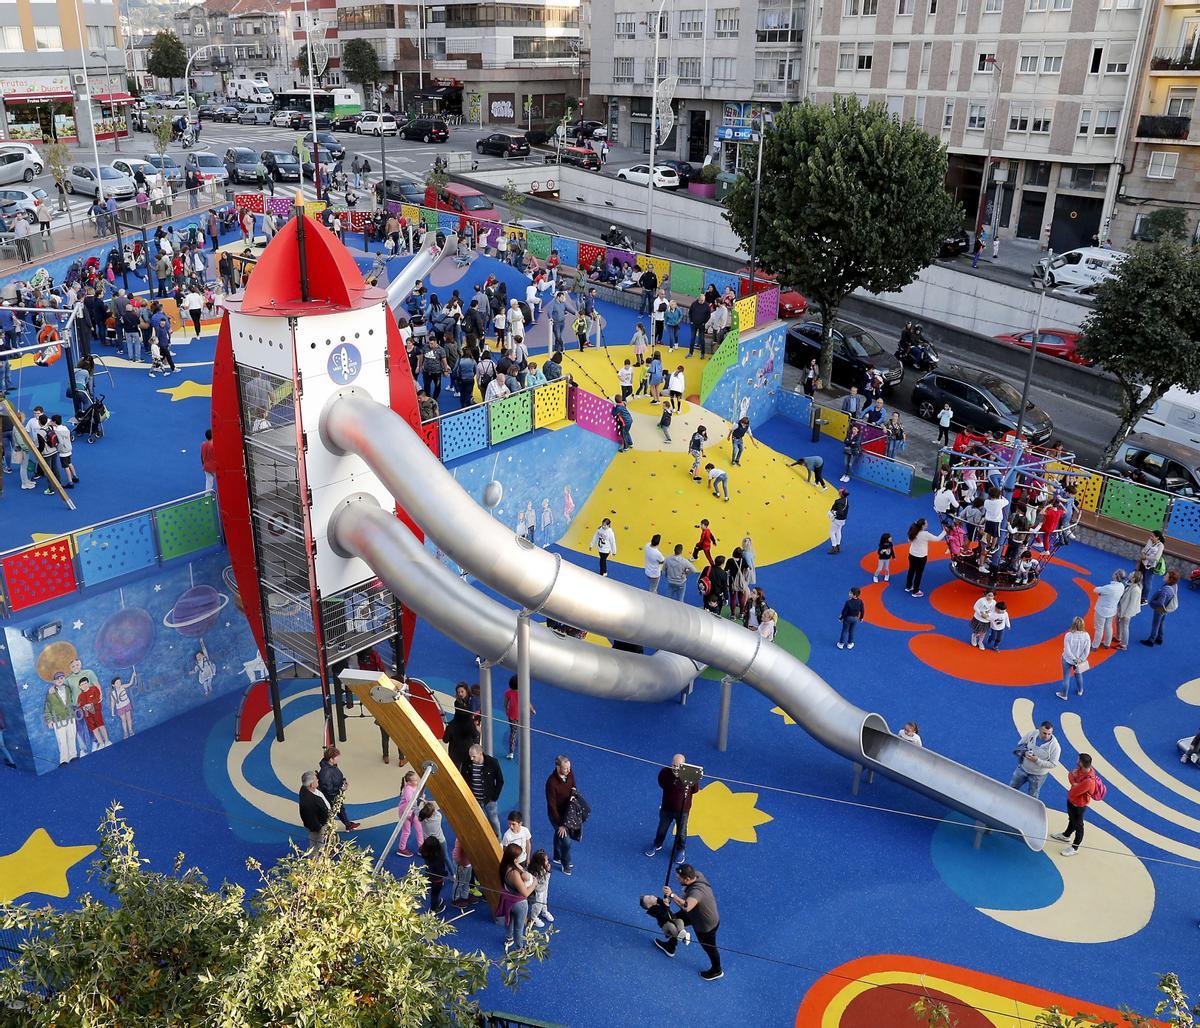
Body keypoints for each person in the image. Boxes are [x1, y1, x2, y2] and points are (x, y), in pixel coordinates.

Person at [649, 864, 723, 980]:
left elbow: (687, 906)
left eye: (679, 878)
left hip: (705, 924)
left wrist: (672, 895)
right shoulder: (697, 875)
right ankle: (671, 946)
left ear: (687, 879)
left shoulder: (697, 892)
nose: (677, 880)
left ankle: (717, 970)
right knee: (674, 922)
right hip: (694, 913)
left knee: (709, 947)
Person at [1051, 753, 1104, 856]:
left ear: (1081, 763)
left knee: (1078, 825)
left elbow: (1074, 791)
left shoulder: (1089, 781)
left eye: (1078, 760)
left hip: (1079, 804)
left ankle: (1075, 847)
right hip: (1072, 801)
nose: (1077, 761)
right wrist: (1074, 782)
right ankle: (1066, 835)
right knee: (1072, 819)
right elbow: (1070, 774)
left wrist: (1075, 783)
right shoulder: (1081, 770)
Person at [645, 753, 694, 861]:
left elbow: (694, 789)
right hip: (666, 808)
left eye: (679, 766)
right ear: (671, 764)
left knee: (681, 832)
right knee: (662, 829)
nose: (676, 769)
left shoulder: (690, 775)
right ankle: (657, 844)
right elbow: (661, 783)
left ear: (684, 766)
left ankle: (680, 850)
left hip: (683, 811)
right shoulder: (664, 773)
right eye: (674, 765)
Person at [460, 743, 504, 836]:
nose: (471, 759)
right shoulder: (466, 763)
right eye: (470, 756)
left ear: (481, 753)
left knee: (494, 821)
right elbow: (463, 780)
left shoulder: (492, 763)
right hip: (474, 800)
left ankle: (499, 842)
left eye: (474, 756)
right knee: (480, 823)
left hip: (489, 800)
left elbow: (500, 780)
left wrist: (494, 797)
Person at [1010, 721, 1060, 799]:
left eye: (1049, 734)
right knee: (1011, 788)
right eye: (1044, 733)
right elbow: (1021, 744)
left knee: (1032, 797)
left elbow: (1053, 764)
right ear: (1039, 730)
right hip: (1022, 769)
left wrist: (1037, 761)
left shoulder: (1055, 747)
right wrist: (1024, 752)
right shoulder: (1032, 734)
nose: (1046, 736)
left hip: (1038, 776)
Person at [545, 754, 577, 875]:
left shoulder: (569, 772)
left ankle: (557, 856)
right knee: (566, 841)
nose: (569, 771)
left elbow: (573, 785)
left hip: (567, 813)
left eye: (569, 768)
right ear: (558, 767)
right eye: (565, 768)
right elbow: (552, 806)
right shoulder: (551, 783)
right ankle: (566, 863)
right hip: (557, 816)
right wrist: (561, 825)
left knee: (559, 835)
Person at [499, 842, 535, 951]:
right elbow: (525, 893)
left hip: (507, 899)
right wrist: (535, 883)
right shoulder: (514, 873)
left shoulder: (504, 865)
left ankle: (508, 938)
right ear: (514, 858)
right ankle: (520, 948)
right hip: (519, 902)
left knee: (509, 920)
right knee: (519, 927)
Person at [318, 746, 360, 831]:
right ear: (331, 759)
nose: (338, 759)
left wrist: (343, 780)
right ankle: (329, 830)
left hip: (335, 795)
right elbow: (328, 789)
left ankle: (347, 825)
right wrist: (341, 789)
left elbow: (337, 776)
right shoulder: (325, 772)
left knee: (340, 810)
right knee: (332, 813)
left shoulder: (332, 765)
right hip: (331, 797)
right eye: (337, 757)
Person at [905, 518, 945, 597]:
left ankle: (908, 586)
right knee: (918, 573)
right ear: (923, 525)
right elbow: (937, 539)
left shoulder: (913, 531)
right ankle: (916, 591)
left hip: (912, 554)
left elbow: (909, 540)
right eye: (926, 523)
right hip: (921, 556)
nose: (927, 524)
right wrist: (945, 531)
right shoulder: (925, 534)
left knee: (911, 570)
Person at [1142, 570, 1181, 646]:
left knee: (1155, 624)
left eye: (1166, 576)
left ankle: (1151, 640)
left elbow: (1160, 602)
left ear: (1170, 580)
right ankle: (1160, 638)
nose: (1164, 576)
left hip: (1159, 609)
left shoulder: (1165, 590)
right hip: (1166, 608)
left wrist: (1152, 603)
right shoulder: (1175, 586)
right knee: (1161, 622)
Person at [298, 770, 332, 857]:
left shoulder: (308, 789)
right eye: (316, 779)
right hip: (318, 827)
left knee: (320, 843)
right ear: (311, 784)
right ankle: (314, 865)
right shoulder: (309, 801)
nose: (318, 780)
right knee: (316, 846)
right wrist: (319, 828)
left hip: (321, 823)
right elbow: (309, 818)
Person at [1057, 616, 1092, 701]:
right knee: (1078, 674)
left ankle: (1064, 694)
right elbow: (1087, 651)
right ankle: (1080, 690)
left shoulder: (1068, 636)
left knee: (1066, 677)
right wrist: (1080, 659)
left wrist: (1074, 659)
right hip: (1080, 661)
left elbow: (1068, 651)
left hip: (1067, 660)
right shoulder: (1086, 636)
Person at [1091, 570, 1126, 650]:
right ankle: (1107, 643)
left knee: (1099, 628)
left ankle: (1095, 645)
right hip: (1112, 610)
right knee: (1108, 626)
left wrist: (1101, 593)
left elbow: (1096, 590)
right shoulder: (1121, 586)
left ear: (1116, 576)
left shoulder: (1109, 587)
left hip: (1102, 610)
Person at [503, 674, 535, 760]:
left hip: (512, 716)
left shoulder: (508, 692)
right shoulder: (522, 693)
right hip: (521, 715)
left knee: (513, 733)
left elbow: (505, 703)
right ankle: (521, 741)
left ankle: (511, 752)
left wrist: (506, 709)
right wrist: (532, 710)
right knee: (522, 728)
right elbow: (527, 702)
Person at [395, 769, 425, 857]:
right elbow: (410, 802)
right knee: (406, 831)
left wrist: (422, 797)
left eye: (416, 779)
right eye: (415, 780)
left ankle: (421, 848)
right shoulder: (407, 789)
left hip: (412, 812)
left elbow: (419, 795)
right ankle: (401, 848)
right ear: (408, 782)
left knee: (419, 829)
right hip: (405, 811)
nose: (417, 781)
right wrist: (418, 812)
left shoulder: (414, 786)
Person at [1115, 568, 1143, 650]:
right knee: (1118, 622)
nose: (1130, 574)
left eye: (1132, 574)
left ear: (1134, 578)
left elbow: (1132, 604)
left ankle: (1124, 644)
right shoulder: (1130, 584)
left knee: (1125, 626)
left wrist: (1125, 614)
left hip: (1127, 611)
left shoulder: (1135, 589)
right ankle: (1118, 637)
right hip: (1123, 607)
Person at [420, 835, 449, 914]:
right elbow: (440, 872)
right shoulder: (437, 859)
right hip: (437, 879)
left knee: (434, 891)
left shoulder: (425, 853)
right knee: (435, 893)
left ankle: (435, 903)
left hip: (429, 875)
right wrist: (445, 873)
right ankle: (434, 908)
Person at [528, 849, 554, 928]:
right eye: (546, 860)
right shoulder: (535, 872)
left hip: (544, 889)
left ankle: (544, 911)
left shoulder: (543, 868)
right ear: (540, 862)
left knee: (544, 901)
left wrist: (547, 871)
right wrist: (548, 872)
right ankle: (533, 918)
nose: (547, 861)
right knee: (537, 905)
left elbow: (545, 883)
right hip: (538, 891)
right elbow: (543, 881)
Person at [1139, 531, 1165, 601]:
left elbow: (1156, 558)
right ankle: (1137, 593)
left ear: (1157, 537)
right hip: (1143, 562)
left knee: (1147, 582)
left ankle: (1144, 598)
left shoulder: (1161, 546)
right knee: (1139, 576)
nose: (1150, 538)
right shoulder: (1150, 541)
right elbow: (1145, 549)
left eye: (1152, 536)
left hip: (1151, 566)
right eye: (1150, 536)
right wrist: (1143, 553)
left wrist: (1146, 557)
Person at [828, 488, 849, 554]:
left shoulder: (838, 502)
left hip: (837, 519)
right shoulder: (846, 500)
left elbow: (840, 512)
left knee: (832, 532)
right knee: (838, 531)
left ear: (841, 494)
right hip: (843, 519)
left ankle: (834, 547)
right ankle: (838, 546)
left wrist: (834, 513)